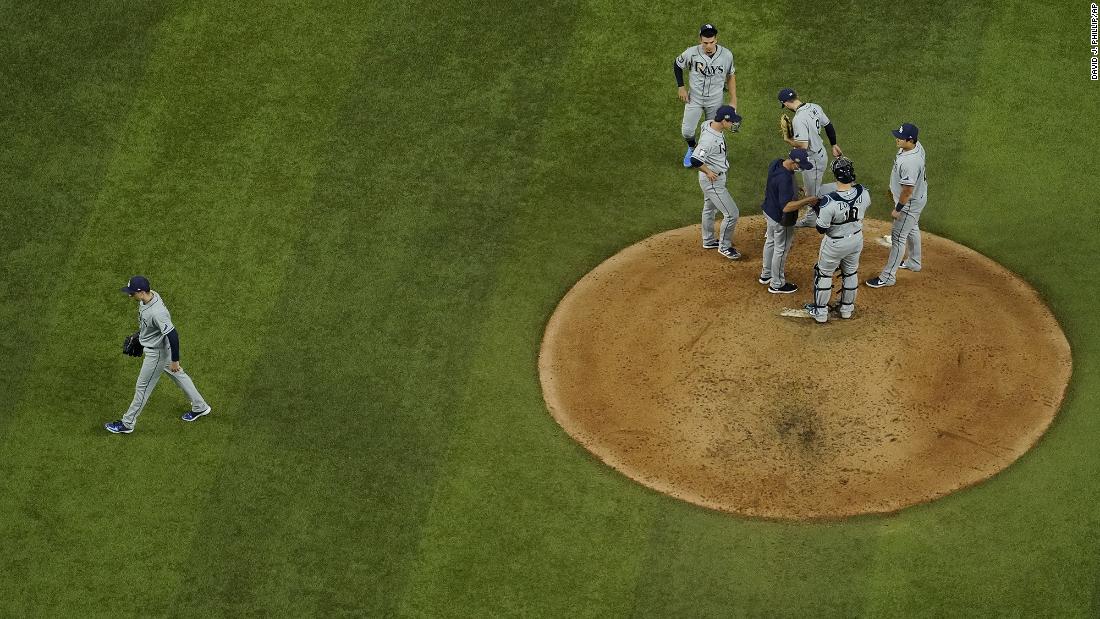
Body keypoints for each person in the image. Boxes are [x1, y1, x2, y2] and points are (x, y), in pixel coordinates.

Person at [104, 276, 212, 434]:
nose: (129, 295)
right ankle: (200, 407)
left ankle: (127, 424)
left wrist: (175, 360)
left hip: (157, 354)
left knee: (142, 387)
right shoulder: (149, 297)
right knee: (179, 375)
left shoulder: (157, 312)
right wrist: (140, 336)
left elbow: (173, 335)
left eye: (132, 293)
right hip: (159, 347)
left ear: (141, 292)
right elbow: (151, 327)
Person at [789, 157, 870, 322]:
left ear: (835, 176)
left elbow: (821, 229)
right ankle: (847, 309)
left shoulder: (829, 201)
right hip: (856, 240)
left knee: (824, 274)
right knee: (850, 272)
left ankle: (820, 313)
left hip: (835, 243)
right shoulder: (864, 192)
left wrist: (817, 206)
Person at [866, 123, 928, 288]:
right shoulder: (915, 147)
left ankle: (888, 277)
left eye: (900, 138)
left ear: (910, 140)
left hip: (908, 204)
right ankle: (914, 262)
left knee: (898, 237)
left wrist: (898, 209)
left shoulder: (910, 162)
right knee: (912, 227)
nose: (897, 139)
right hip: (917, 199)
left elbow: (907, 190)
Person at [778, 88, 843, 227]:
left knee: (811, 194)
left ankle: (811, 219)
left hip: (812, 160)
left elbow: (803, 145)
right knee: (809, 187)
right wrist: (834, 144)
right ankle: (837, 189)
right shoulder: (814, 107)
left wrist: (788, 139)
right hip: (819, 154)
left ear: (786, 103)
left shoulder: (798, 119)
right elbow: (828, 125)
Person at [675, 23, 737, 167]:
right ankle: (692, 147)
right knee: (687, 131)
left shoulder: (726, 55)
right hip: (694, 98)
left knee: (714, 132)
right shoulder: (691, 52)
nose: (708, 46)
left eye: (711, 42)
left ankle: (712, 157)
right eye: (705, 43)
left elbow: (731, 76)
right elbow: (677, 65)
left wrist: (733, 100)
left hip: (715, 100)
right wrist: (681, 87)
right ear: (700, 40)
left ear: (716, 40)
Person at [759, 148, 820, 293]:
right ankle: (777, 283)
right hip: (781, 218)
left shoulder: (777, 163)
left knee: (770, 242)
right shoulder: (785, 178)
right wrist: (807, 200)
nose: (801, 168)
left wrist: (795, 189)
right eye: (800, 165)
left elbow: (777, 185)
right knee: (781, 249)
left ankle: (766, 274)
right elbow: (786, 207)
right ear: (793, 162)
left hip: (769, 210)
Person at [689, 105, 742, 259]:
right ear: (724, 120)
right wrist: (708, 172)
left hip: (714, 178)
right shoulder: (709, 139)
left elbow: (704, 125)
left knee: (709, 209)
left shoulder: (709, 124)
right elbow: (695, 159)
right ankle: (724, 247)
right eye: (731, 121)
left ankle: (708, 240)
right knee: (732, 214)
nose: (733, 124)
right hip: (713, 180)